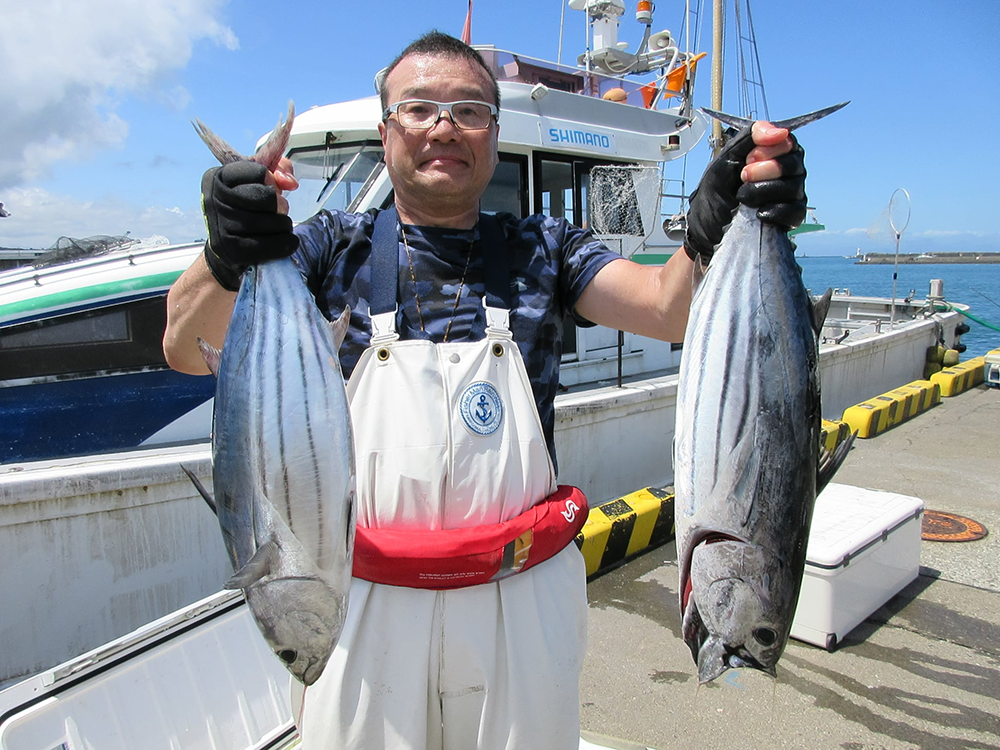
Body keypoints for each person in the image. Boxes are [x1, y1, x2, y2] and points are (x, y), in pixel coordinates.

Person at [163, 31, 805, 750]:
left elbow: (666, 307)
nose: (444, 126)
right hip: (361, 604)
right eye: (419, 108)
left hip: (520, 609)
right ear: (386, 133)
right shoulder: (326, 246)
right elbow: (187, 350)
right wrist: (227, 249)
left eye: (469, 110)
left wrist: (711, 229)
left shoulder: (546, 247)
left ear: (494, 137)